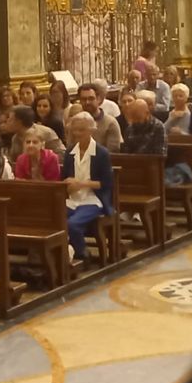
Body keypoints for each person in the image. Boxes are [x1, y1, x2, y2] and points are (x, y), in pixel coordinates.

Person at [62, 112, 114, 262]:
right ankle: (65, 254)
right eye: (75, 130)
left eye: (81, 130)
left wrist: (82, 184)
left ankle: (82, 253)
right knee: (55, 221)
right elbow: (64, 177)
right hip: (72, 199)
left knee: (72, 224)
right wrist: (68, 184)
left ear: (91, 130)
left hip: (93, 200)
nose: (77, 134)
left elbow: (106, 183)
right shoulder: (70, 152)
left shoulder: (101, 153)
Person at [78, 83, 122, 151]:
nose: (87, 102)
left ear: (98, 99)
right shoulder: (76, 123)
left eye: (91, 98)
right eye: (84, 99)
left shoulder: (110, 123)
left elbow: (112, 152)